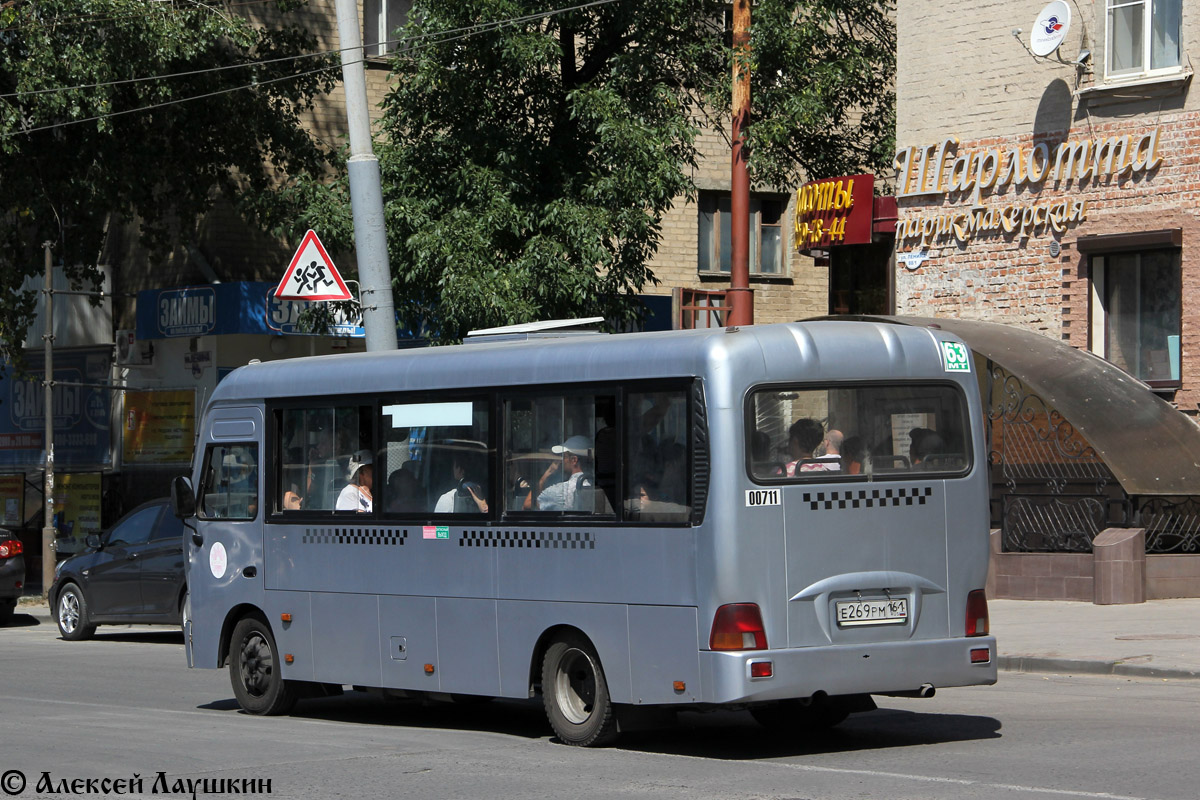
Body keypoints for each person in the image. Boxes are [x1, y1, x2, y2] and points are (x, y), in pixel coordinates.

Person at [537, 435, 605, 511]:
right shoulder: (599, 485)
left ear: (574, 460)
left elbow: (528, 505)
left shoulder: (560, 491)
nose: (561, 461)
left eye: (564, 456)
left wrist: (543, 479)